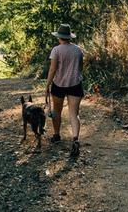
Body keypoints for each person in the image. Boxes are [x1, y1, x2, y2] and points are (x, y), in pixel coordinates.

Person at [45, 23, 84, 156]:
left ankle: (56, 135)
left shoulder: (56, 50)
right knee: (74, 114)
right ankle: (75, 139)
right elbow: (80, 68)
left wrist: (47, 85)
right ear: (69, 36)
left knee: (57, 111)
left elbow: (52, 69)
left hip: (59, 85)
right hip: (75, 84)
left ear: (59, 37)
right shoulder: (78, 50)